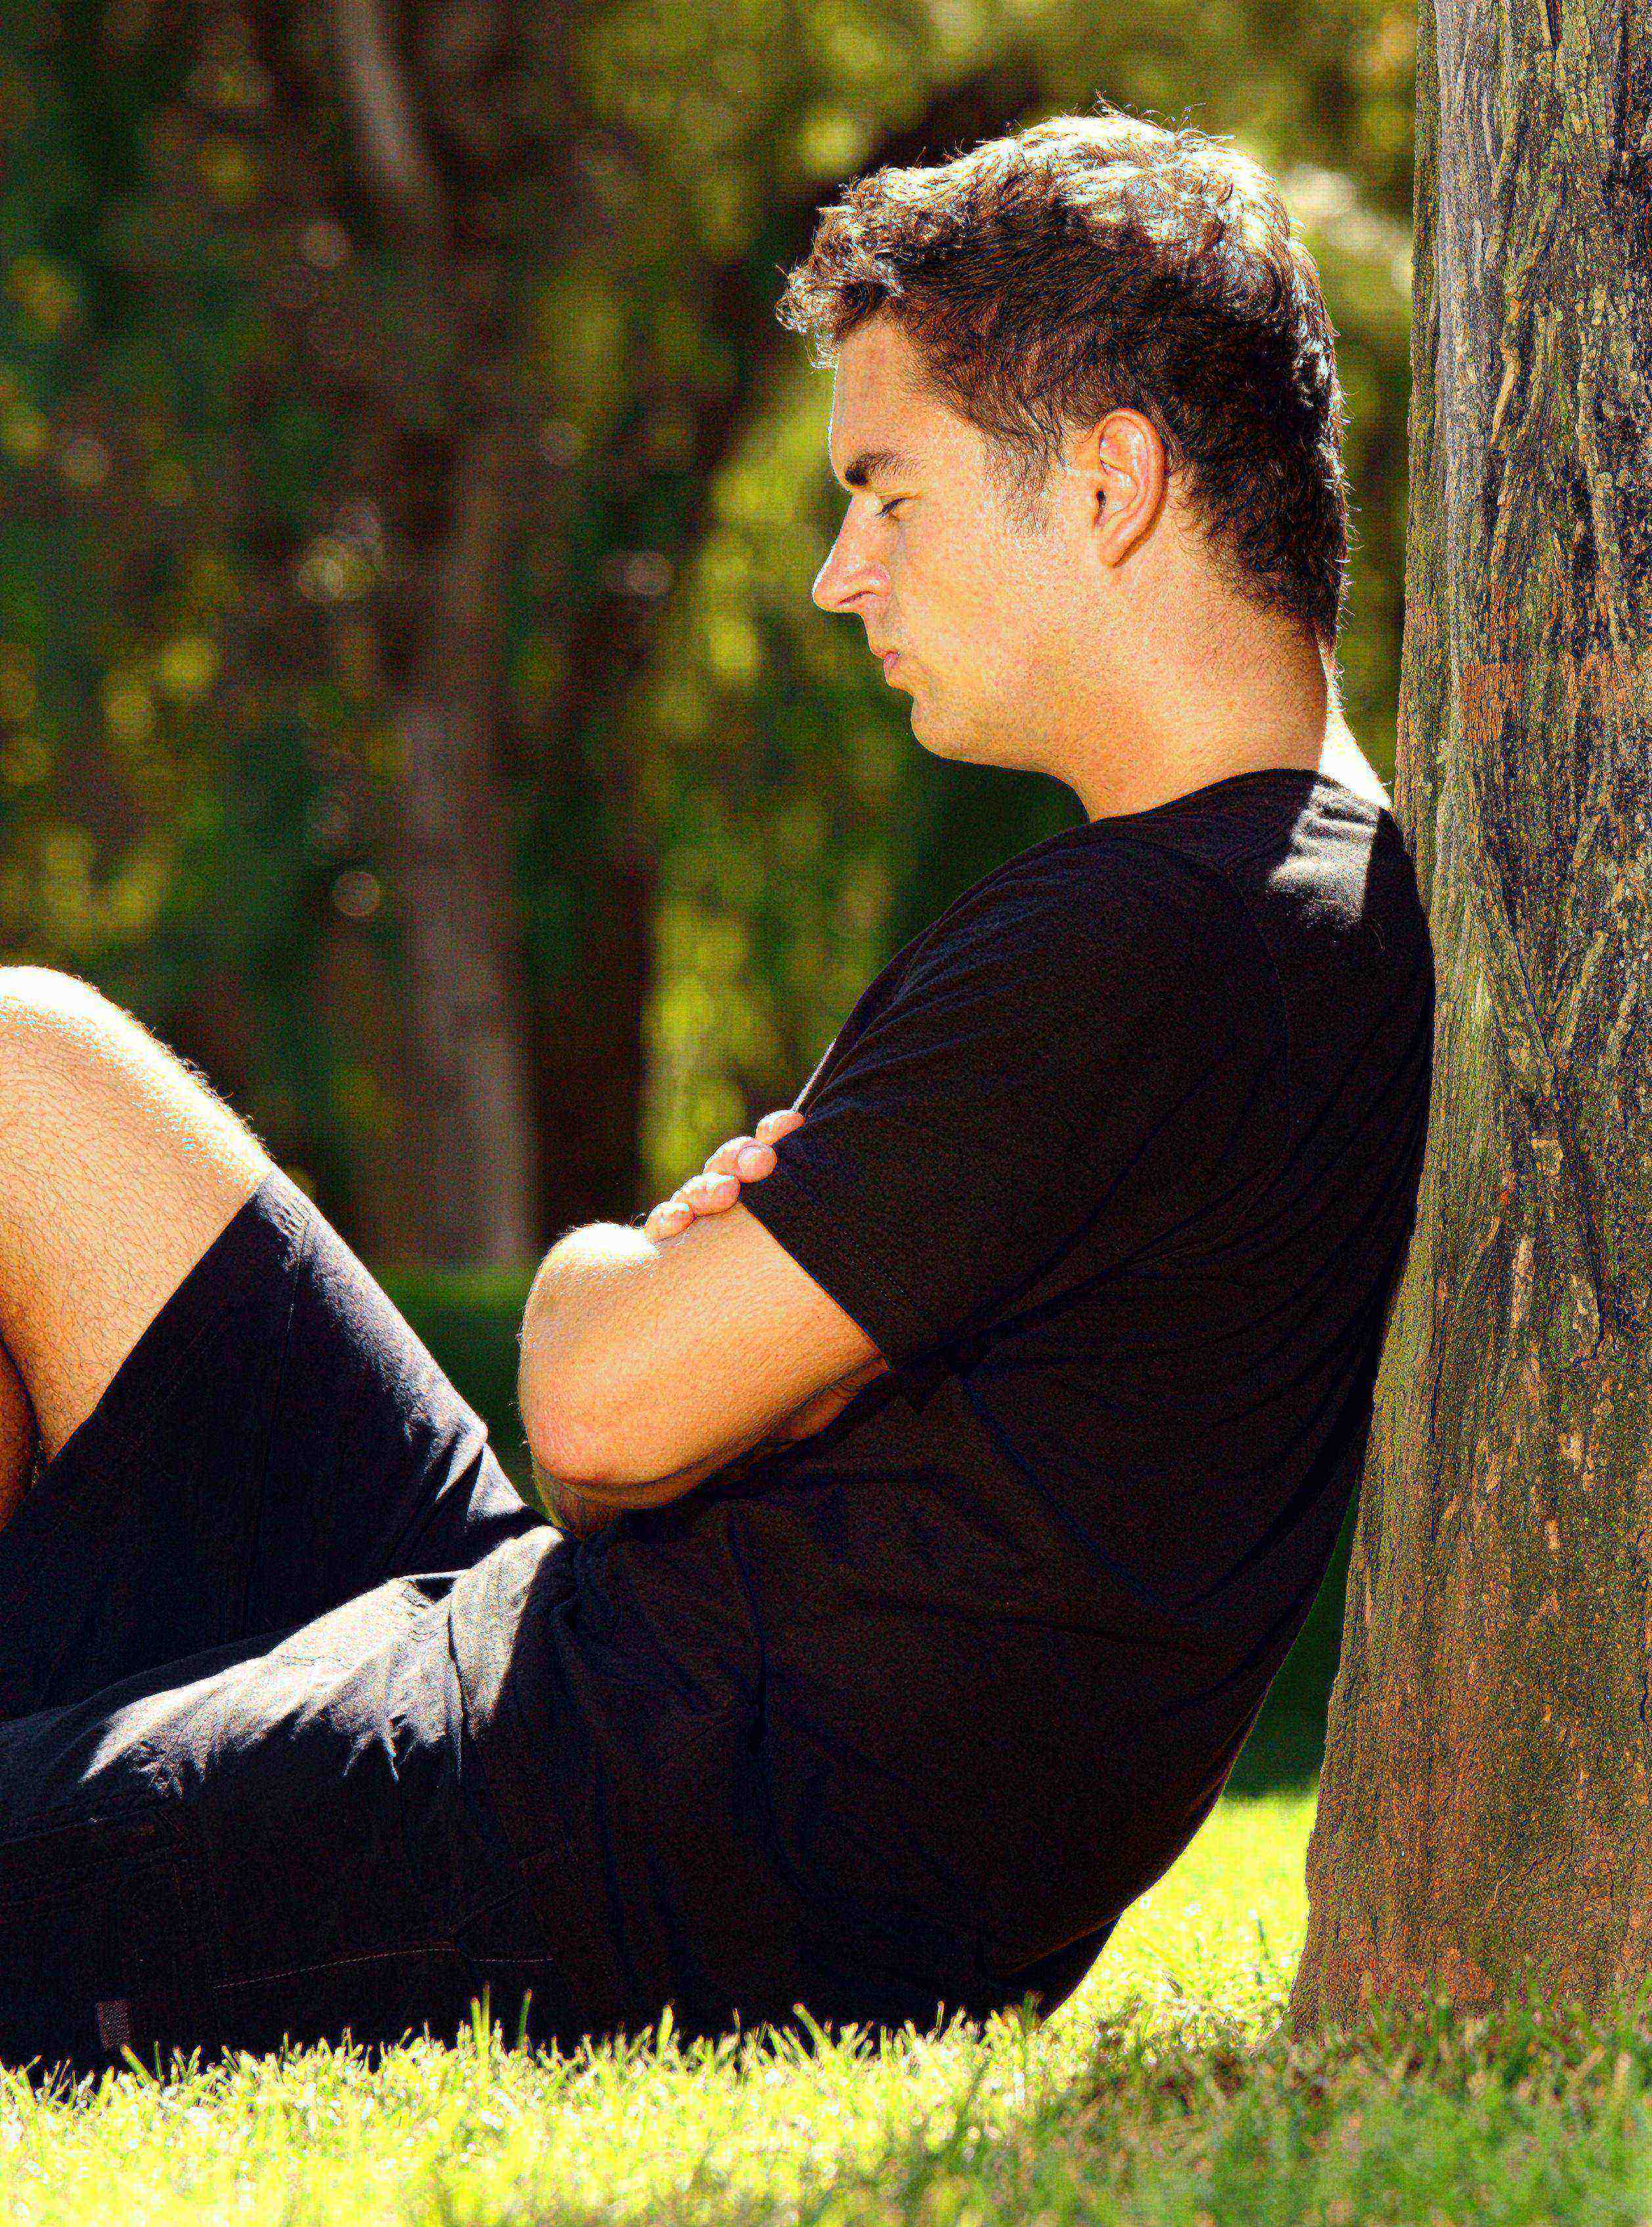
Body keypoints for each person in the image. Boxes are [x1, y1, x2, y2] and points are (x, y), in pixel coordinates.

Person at [0, 109, 1433, 2071]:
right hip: (594, 1699)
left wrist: (613, 1271)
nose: (844, 574)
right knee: (31, 1072)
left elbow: (603, 1413)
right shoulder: (1304, 891)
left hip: (587, 1850)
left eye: (887, 492)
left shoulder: (1158, 936)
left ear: (1111, 484)